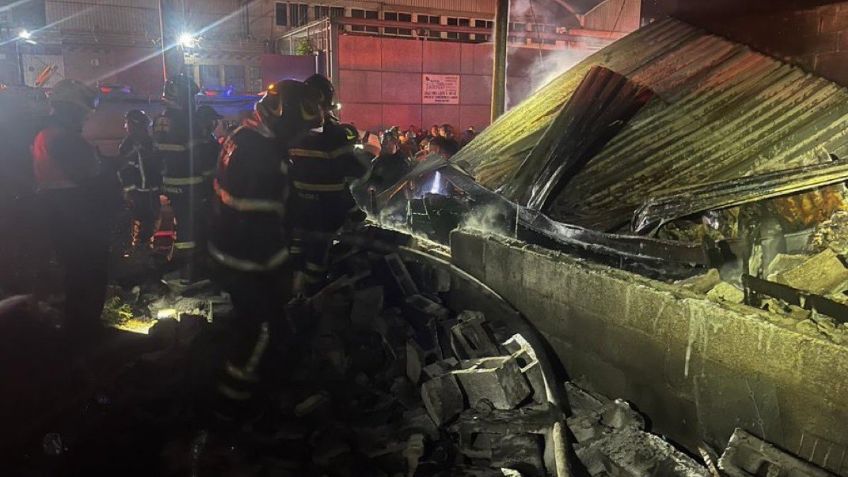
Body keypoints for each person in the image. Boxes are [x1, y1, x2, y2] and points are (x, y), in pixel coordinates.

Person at [205, 79, 319, 425]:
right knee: (260, 332)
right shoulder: (262, 156)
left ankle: (260, 388)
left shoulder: (244, 136)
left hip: (228, 250)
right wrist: (287, 270)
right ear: (283, 119)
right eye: (299, 129)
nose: (301, 137)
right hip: (249, 262)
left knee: (259, 327)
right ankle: (233, 408)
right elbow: (261, 226)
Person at [32, 79, 118, 340]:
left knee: (77, 274)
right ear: (68, 108)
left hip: (65, 217)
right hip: (78, 219)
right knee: (88, 274)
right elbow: (91, 177)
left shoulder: (47, 135)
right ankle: (85, 332)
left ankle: (80, 327)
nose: (84, 118)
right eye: (82, 112)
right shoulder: (63, 138)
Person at [288, 74, 369, 294]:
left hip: (296, 206)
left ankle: (292, 294)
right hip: (325, 209)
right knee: (317, 255)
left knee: (297, 250)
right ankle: (309, 299)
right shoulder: (335, 135)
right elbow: (352, 171)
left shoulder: (290, 132)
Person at [153, 73, 208, 280]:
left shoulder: (160, 119)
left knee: (181, 226)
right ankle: (188, 272)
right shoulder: (187, 122)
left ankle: (179, 268)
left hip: (169, 183)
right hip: (189, 184)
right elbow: (198, 157)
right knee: (190, 228)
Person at [118, 109, 161, 255]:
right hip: (139, 190)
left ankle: (144, 248)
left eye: (128, 123)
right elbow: (125, 170)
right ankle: (137, 250)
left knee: (150, 219)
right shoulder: (130, 144)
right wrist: (129, 191)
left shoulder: (146, 142)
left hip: (149, 189)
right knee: (140, 219)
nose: (126, 126)